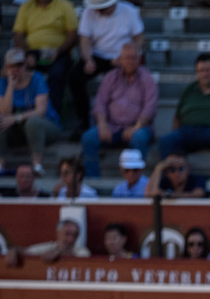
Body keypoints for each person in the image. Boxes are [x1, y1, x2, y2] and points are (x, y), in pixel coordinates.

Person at [80, 42, 156, 178]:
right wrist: (102, 125)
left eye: (134, 58)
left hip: (138, 127)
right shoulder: (110, 77)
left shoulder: (147, 78)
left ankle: (137, 181)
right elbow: (100, 103)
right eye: (127, 57)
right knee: (88, 138)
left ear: (139, 60)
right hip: (112, 127)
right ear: (120, 59)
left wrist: (135, 127)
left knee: (139, 138)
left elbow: (149, 108)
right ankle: (93, 180)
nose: (130, 61)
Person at [68, 0, 144, 133]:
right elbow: (84, 41)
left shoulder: (128, 11)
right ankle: (83, 119)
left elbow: (139, 38)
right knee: (75, 77)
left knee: (130, 78)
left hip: (123, 55)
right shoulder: (88, 13)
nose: (99, 10)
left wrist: (126, 56)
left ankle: (128, 119)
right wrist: (88, 59)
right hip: (98, 55)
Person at [0, 48, 62, 178]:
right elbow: (3, 112)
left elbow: (41, 111)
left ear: (25, 65)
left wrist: (16, 118)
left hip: (47, 127)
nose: (17, 69)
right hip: (19, 130)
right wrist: (11, 85)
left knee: (33, 122)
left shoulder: (37, 79)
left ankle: (37, 166)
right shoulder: (3, 82)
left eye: (20, 65)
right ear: (6, 67)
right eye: (12, 66)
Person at [12, 0, 79, 121]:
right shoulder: (26, 7)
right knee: (15, 70)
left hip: (60, 52)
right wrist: (27, 55)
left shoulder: (64, 5)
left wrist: (59, 51)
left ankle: (52, 120)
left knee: (56, 74)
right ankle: (19, 115)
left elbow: (73, 34)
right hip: (32, 52)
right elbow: (18, 35)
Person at [14, 219, 91, 263]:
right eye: (67, 234)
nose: (71, 239)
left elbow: (82, 259)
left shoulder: (82, 251)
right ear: (58, 233)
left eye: (74, 235)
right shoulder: (49, 246)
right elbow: (25, 251)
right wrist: (13, 250)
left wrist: (59, 253)